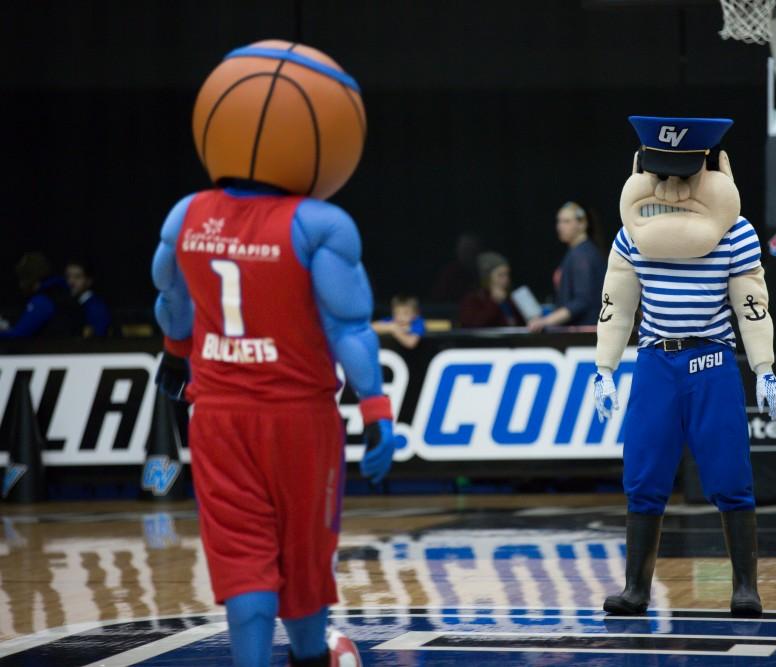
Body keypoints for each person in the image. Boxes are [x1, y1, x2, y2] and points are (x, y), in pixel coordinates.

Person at [153, 41, 394, 666]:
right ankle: (313, 658)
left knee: (244, 562)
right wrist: (376, 411)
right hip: (298, 419)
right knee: (304, 558)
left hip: (219, 417)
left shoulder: (185, 217)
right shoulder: (321, 224)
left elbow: (171, 308)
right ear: (323, 132)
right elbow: (351, 329)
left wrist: (176, 359)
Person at [593, 116, 776, 619]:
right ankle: (636, 588)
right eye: (660, 174)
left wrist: (764, 367)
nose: (672, 188)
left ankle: (746, 587)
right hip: (656, 358)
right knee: (644, 470)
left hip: (711, 359)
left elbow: (752, 302)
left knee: (729, 473)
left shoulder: (736, 233)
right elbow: (617, 301)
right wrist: (604, 368)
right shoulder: (631, 235)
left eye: (683, 175)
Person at [527, 202, 606, 332]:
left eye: (566, 221)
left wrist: (546, 321)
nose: (560, 226)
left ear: (582, 224)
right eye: (559, 221)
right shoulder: (579, 252)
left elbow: (582, 301)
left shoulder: (582, 255)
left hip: (584, 333)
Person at [0, 252, 84, 339]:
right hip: (65, 350)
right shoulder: (60, 293)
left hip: (55, 350)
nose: (21, 285)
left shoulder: (43, 301)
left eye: (22, 278)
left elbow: (18, 335)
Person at [458, 251, 525, 328]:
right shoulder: (473, 299)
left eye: (507, 274)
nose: (506, 280)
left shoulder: (509, 299)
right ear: (487, 278)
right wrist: (493, 303)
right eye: (500, 275)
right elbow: (473, 327)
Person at [429, 233, 483, 302]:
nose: (466, 253)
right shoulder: (450, 272)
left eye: (470, 248)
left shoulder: (486, 271)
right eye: (463, 249)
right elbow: (437, 299)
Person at [65, 260, 112, 337]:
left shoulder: (96, 306)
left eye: (77, 277)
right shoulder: (70, 303)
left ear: (89, 281)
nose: (71, 281)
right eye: (68, 277)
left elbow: (99, 337)